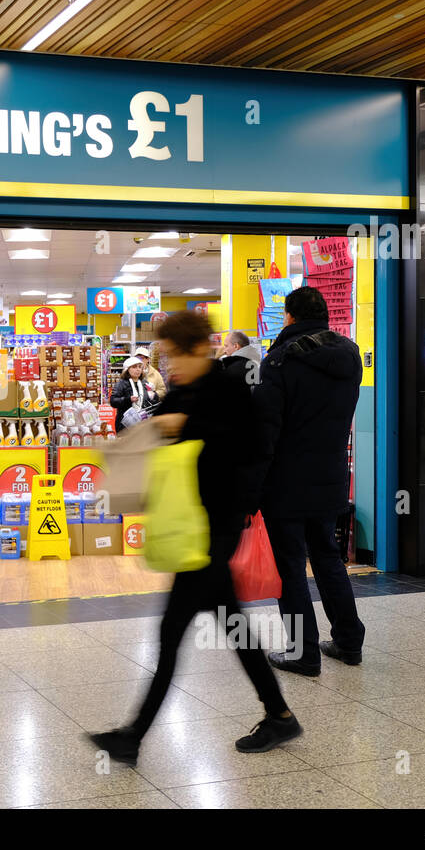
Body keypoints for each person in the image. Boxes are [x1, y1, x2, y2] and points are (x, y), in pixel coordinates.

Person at [90, 311, 299, 762]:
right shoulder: (184, 390)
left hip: (212, 531)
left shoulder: (230, 391)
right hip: (191, 525)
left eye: (175, 355)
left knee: (172, 633)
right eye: (166, 357)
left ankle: (133, 736)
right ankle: (280, 715)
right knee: (234, 625)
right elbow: (154, 430)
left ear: (201, 348)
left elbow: (245, 452)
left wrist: (184, 429)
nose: (170, 366)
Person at [253, 286, 366, 675]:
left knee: (290, 566)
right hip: (332, 474)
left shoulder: (280, 361)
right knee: (328, 558)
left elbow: (265, 431)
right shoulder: (350, 357)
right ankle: (349, 641)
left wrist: (253, 484)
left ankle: (303, 652)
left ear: (289, 316)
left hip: (286, 480)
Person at [109, 356, 159, 429]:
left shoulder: (145, 383)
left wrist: (153, 395)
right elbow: (113, 401)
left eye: (139, 367)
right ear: (127, 370)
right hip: (125, 426)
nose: (138, 369)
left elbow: (154, 401)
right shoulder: (121, 384)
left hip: (142, 424)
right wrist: (128, 399)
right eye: (134, 367)